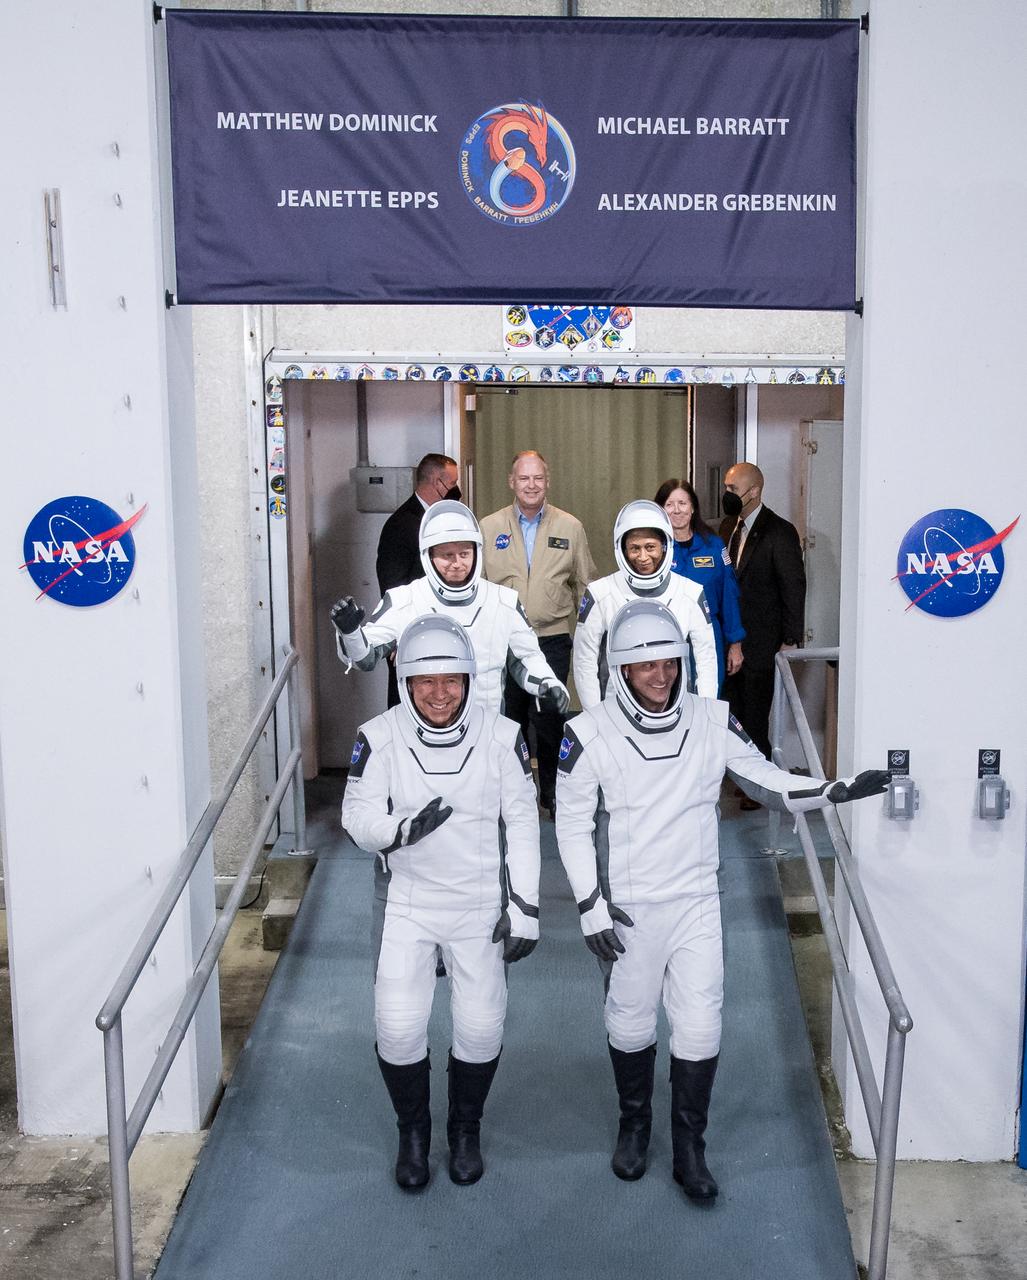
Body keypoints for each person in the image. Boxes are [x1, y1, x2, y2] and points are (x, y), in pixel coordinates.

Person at [555, 600, 888, 1201]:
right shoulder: (588, 733)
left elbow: (767, 780)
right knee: (629, 1023)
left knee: (701, 1026)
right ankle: (634, 1127)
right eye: (645, 666)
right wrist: (590, 905)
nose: (660, 677)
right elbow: (572, 826)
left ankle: (690, 1149)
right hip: (629, 908)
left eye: (668, 664)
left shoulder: (713, 720)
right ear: (622, 670)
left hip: (696, 903)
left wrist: (831, 789)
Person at [341, 613, 541, 1190]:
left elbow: (523, 821)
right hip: (410, 900)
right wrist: (399, 831)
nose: (438, 693)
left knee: (480, 1028)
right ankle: (413, 1133)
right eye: (424, 681)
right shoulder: (377, 736)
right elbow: (356, 817)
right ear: (405, 682)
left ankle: (464, 1129)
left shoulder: (502, 735)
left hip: (480, 904)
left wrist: (524, 905)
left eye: (450, 679)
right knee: (398, 1027)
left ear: (469, 679)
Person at [332, 500, 570, 717]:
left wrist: (548, 684)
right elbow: (365, 658)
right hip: (421, 736)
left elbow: (526, 658)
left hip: (487, 733)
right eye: (447, 555)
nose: (457, 563)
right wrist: (351, 632)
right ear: (429, 556)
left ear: (477, 551)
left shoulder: (503, 601)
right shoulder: (405, 600)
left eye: (464, 554)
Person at [480, 451, 596, 817]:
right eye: (524, 479)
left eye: (538, 479)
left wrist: (590, 641)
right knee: (508, 719)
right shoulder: (488, 527)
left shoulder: (570, 527)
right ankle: (511, 796)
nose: (531, 485)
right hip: (504, 643)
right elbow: (477, 586)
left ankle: (552, 793)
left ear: (548, 481)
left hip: (552, 639)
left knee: (549, 720)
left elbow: (586, 585)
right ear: (511, 482)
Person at [573, 499, 718, 708]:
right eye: (634, 548)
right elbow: (584, 661)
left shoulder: (690, 592)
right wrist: (595, 714)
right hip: (616, 709)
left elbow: (706, 660)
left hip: (675, 706)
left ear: (665, 546)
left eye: (650, 547)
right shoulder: (601, 593)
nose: (642, 557)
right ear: (622, 549)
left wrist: (706, 712)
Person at [719, 463, 806, 804]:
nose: (727, 493)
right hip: (729, 640)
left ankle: (760, 786)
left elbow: (793, 587)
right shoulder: (727, 527)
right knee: (733, 713)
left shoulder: (779, 532)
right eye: (725, 486)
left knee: (756, 716)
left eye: (732, 487)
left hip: (763, 642)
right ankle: (740, 777)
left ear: (753, 491)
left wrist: (790, 640)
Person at [655, 478, 745, 693]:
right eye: (669, 504)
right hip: (666, 635)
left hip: (707, 633)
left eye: (683, 503)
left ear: (693, 507)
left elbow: (728, 595)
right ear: (660, 509)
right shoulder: (654, 548)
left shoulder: (713, 545)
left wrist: (735, 644)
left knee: (707, 698)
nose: (677, 510)